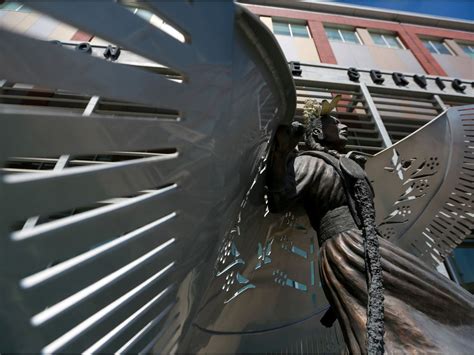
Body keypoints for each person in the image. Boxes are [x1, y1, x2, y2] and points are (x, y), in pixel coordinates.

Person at [266, 97, 474, 354]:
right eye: (335, 122)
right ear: (319, 132)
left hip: (367, 246)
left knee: (433, 301)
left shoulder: (342, 161)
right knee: (395, 317)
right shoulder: (311, 162)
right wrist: (282, 153)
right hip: (347, 251)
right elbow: (279, 198)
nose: (343, 125)